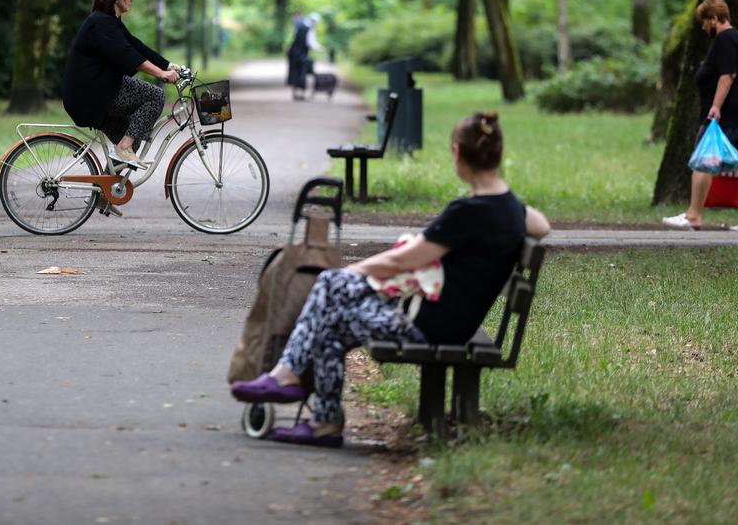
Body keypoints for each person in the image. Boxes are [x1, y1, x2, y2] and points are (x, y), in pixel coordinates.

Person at [230, 112, 552, 447]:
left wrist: (352, 271)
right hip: (450, 320)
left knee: (330, 286)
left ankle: (289, 379)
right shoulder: (508, 207)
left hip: (428, 324)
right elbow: (542, 226)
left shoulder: (468, 212)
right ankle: (316, 413)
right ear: (496, 156)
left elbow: (403, 261)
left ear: (457, 152)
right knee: (330, 323)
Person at [662, 0, 738, 231]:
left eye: (704, 21)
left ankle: (693, 216)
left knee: (702, 160)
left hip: (726, 114)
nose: (703, 27)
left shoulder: (725, 39)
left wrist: (716, 106)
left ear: (714, 18)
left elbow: (728, 75)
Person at [62, 0, 181, 170]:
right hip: (92, 95)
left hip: (98, 92)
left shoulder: (110, 22)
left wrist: (168, 65)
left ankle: (103, 194)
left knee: (131, 141)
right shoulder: (100, 23)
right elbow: (126, 55)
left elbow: (136, 46)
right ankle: (123, 149)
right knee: (156, 95)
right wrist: (160, 74)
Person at [285, 13, 309, 100]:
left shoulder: (294, 29)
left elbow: (288, 43)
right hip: (302, 54)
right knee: (301, 73)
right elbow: (309, 42)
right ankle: (301, 94)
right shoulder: (307, 29)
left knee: (295, 73)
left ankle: (295, 93)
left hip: (294, 54)